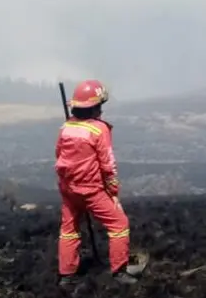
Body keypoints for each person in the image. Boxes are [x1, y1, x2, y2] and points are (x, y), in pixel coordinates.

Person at [54, 79, 143, 285]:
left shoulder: (65, 127)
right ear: (95, 107)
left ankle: (66, 275)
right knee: (119, 224)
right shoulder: (99, 130)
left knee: (69, 229)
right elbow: (107, 165)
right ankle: (119, 271)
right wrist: (113, 192)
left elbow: (58, 154)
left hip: (68, 190)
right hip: (91, 190)